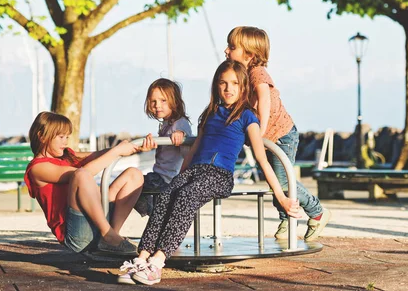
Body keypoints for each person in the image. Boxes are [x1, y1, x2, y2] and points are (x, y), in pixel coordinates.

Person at [117, 60, 301, 285]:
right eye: (223, 83)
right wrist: (179, 177)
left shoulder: (247, 117)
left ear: (244, 87)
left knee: (186, 197)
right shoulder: (211, 113)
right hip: (194, 171)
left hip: (219, 175)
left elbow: (261, 159)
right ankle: (142, 258)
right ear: (216, 86)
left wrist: (281, 197)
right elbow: (194, 150)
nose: (228, 88)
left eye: (234, 83)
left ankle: (157, 262)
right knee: (167, 196)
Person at [225, 26, 331, 240]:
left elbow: (263, 98)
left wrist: (261, 130)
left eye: (232, 47)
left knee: (283, 180)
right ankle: (287, 217)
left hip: (282, 135)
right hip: (266, 139)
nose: (226, 51)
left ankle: (317, 212)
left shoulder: (257, 73)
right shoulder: (240, 76)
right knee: (273, 179)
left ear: (250, 54)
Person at [24, 111, 154, 255]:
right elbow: (83, 173)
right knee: (81, 175)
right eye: (61, 137)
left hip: (95, 224)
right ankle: (108, 235)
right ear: (42, 136)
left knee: (133, 175)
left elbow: (98, 155)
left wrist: (133, 148)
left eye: (67, 137)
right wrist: (117, 151)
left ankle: (111, 237)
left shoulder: (67, 156)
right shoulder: (38, 168)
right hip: (77, 235)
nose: (65, 142)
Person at [134, 78, 193, 217]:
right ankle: (155, 213)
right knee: (131, 188)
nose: (157, 105)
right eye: (153, 101)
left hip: (166, 179)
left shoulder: (180, 123)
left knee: (130, 187)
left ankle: (154, 212)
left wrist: (181, 135)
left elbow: (186, 137)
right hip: (159, 176)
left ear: (175, 102)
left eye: (163, 101)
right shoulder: (166, 123)